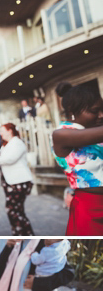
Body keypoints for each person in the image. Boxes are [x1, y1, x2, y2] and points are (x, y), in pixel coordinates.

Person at [52, 80, 103, 235]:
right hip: (91, 207)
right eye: (95, 111)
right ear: (73, 112)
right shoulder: (61, 134)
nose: (101, 115)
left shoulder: (94, 129)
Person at [0, 123, 34, 236]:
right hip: (10, 182)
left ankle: (23, 234)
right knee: (15, 211)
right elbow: (2, 160)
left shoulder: (17, 143)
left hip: (19, 181)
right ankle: (21, 232)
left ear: (10, 131)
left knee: (14, 211)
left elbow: (9, 159)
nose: (0, 133)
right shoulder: (7, 144)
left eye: (2, 131)